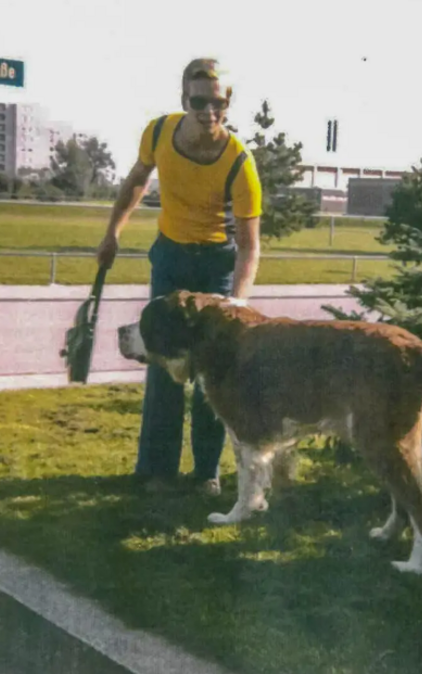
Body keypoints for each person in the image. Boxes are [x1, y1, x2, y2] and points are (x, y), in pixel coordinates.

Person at [96, 58, 263, 495]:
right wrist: (113, 231)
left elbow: (249, 244)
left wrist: (237, 302)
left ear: (228, 102)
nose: (209, 110)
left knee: (212, 369)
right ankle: (156, 469)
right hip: (170, 257)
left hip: (215, 264)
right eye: (198, 100)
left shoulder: (239, 162)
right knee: (161, 359)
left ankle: (206, 472)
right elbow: (136, 179)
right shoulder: (158, 133)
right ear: (183, 99)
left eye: (217, 102)